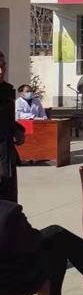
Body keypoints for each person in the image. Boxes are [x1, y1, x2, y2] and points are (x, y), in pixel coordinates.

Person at [0, 51, 25, 202]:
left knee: (9, 201)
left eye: (3, 66)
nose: (1, 71)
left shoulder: (7, 90)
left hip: (7, 154)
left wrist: (17, 129)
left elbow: (7, 119)